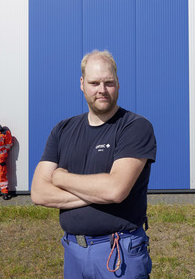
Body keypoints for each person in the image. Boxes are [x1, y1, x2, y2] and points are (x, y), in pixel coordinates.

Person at [31, 50, 157, 278]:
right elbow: (39, 193)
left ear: (118, 83)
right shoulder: (63, 130)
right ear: (82, 84)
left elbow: (115, 190)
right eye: (94, 82)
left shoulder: (135, 127)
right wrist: (100, 193)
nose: (102, 89)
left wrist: (60, 178)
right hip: (73, 252)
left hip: (119, 254)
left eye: (109, 82)